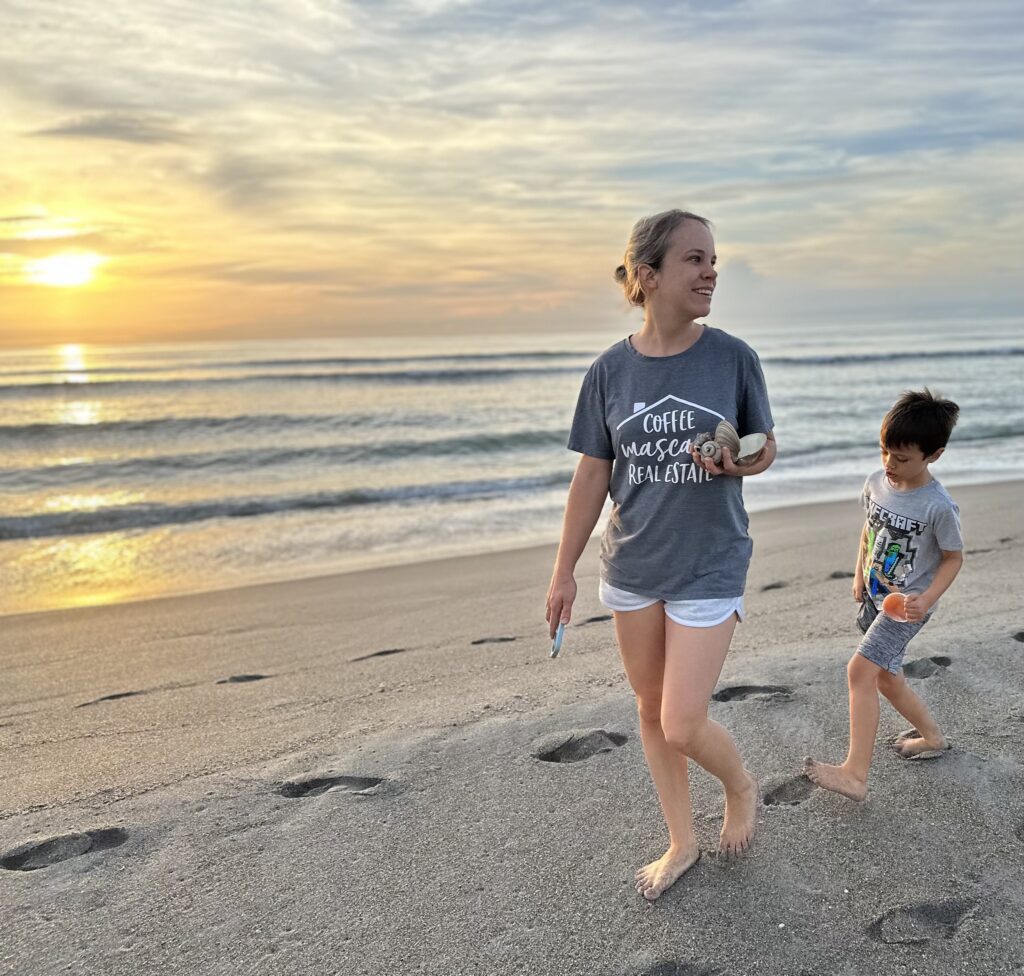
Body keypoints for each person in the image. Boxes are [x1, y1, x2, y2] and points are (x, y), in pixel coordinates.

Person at [545, 210, 777, 901]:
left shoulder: (733, 357)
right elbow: (592, 474)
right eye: (694, 260)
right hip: (634, 565)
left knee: (682, 720)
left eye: (714, 261)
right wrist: (562, 571)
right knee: (650, 712)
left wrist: (743, 465)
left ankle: (740, 785)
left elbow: (764, 444)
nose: (711, 272)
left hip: (711, 560)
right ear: (648, 277)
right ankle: (682, 839)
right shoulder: (609, 371)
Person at [804, 389, 963, 801]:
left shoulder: (938, 507)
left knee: (859, 672)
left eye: (902, 458)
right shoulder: (877, 482)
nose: (890, 464)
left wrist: (926, 599)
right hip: (874, 599)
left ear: (935, 455)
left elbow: (952, 558)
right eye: (885, 452)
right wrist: (859, 574)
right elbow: (870, 530)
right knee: (889, 682)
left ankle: (855, 774)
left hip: (906, 607)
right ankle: (933, 738)